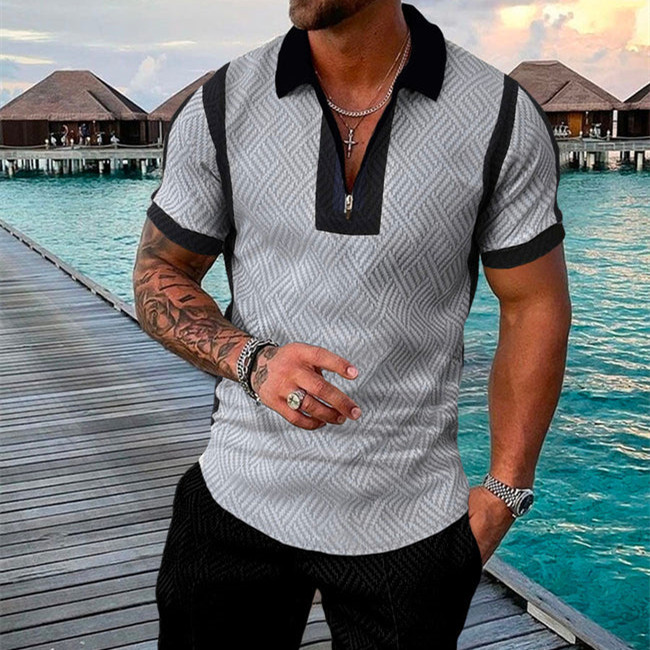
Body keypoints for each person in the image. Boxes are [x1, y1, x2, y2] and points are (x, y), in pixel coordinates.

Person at [133, 1, 572, 648]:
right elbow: (158, 271)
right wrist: (253, 361)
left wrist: (505, 490)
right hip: (236, 496)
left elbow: (533, 303)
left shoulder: (497, 115)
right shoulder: (223, 105)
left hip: (410, 522)